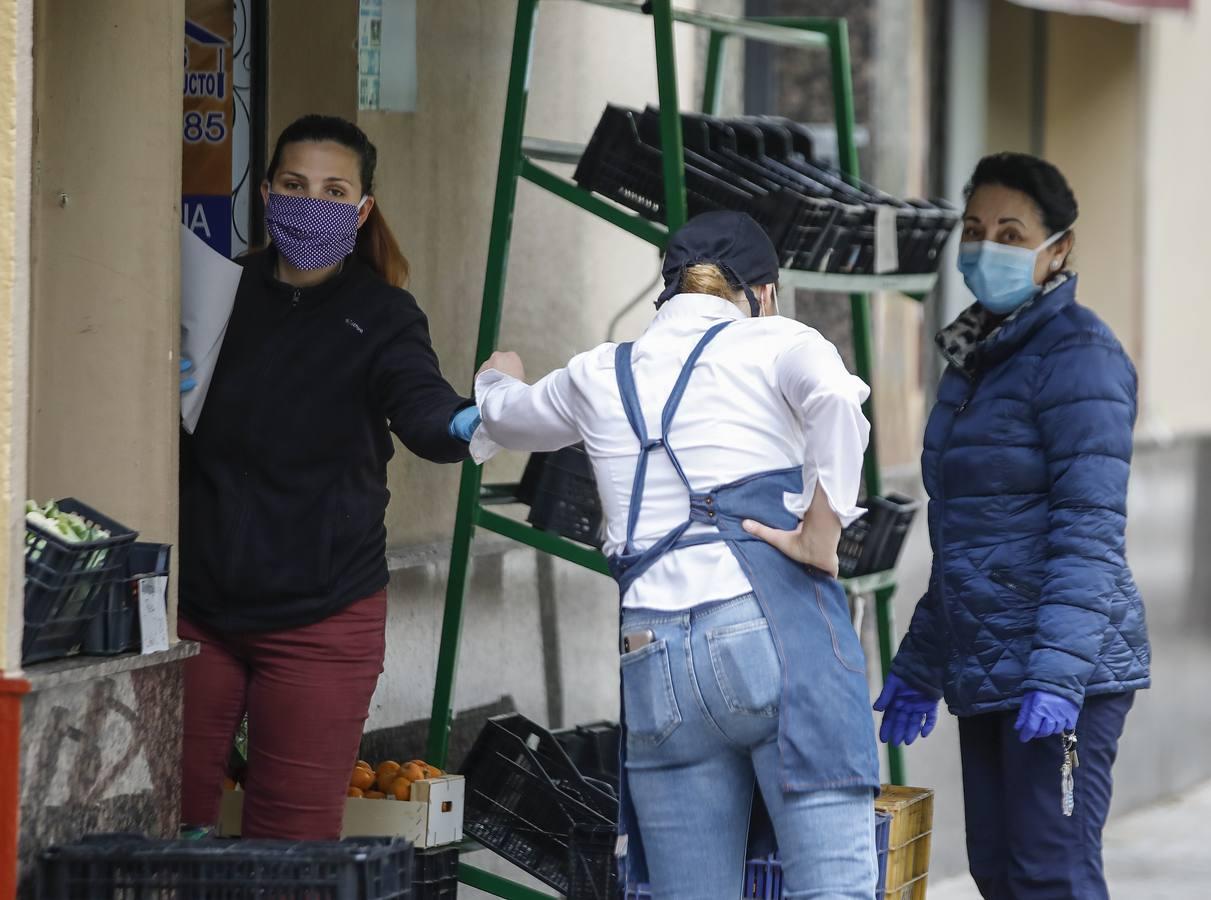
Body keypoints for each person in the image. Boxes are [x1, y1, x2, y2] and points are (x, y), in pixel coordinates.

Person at [475, 211, 881, 899]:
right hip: (772, 641)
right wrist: (821, 530)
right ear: (763, 292)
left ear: (667, 294)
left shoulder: (600, 370)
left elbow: (508, 417)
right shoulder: (773, 340)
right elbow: (840, 400)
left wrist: (495, 376)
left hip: (653, 658)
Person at [177, 115, 482, 840]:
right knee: (164, 828)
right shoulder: (218, 294)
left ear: (362, 209)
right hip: (197, 615)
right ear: (266, 193)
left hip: (321, 616)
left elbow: (424, 413)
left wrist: (477, 419)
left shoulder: (380, 316)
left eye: (333, 190)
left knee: (290, 851)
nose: (310, 202)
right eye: (294, 185)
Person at [874, 153, 1151, 899]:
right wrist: (920, 663)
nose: (985, 247)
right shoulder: (977, 361)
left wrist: (1058, 676)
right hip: (990, 666)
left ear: (1057, 249)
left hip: (1062, 672)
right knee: (999, 875)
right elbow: (973, 543)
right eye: (972, 230)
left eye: (1008, 231)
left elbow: (1088, 531)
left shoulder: (1078, 357)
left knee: (1049, 876)